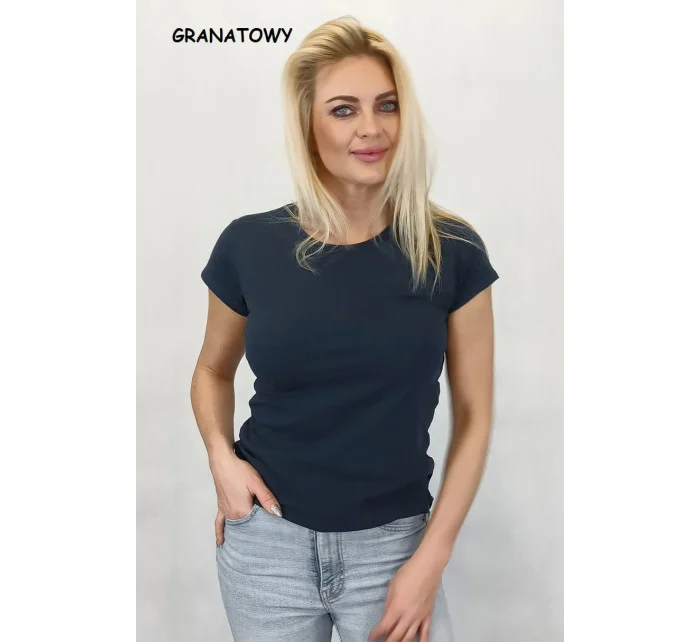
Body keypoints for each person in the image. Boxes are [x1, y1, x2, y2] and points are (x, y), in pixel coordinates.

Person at [190, 15, 499, 642]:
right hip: (266, 545)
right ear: (308, 127)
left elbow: (475, 416)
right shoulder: (250, 244)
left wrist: (431, 558)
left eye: (387, 105)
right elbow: (212, 370)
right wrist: (222, 459)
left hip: (394, 550)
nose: (371, 128)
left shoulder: (451, 250)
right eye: (343, 110)